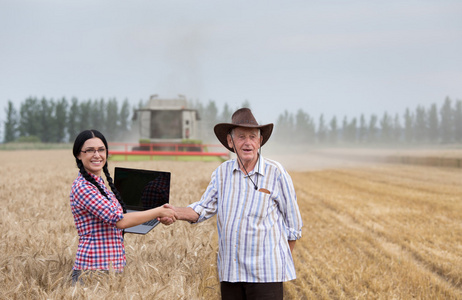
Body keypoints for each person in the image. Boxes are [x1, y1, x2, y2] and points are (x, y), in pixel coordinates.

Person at [159, 108, 303, 300]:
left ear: (260, 141)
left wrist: (278, 262)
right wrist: (173, 211)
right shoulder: (222, 173)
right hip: (231, 273)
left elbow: (293, 225)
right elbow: (202, 209)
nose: (248, 142)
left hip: (266, 275)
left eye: (253, 137)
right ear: (230, 141)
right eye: (241, 136)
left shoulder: (276, 173)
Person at [70, 129, 177, 284]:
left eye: (101, 150)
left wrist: (158, 217)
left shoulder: (98, 184)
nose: (97, 155)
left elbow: (117, 222)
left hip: (111, 267)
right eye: (89, 150)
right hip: (93, 269)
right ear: (79, 155)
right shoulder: (84, 187)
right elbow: (119, 221)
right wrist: (158, 211)